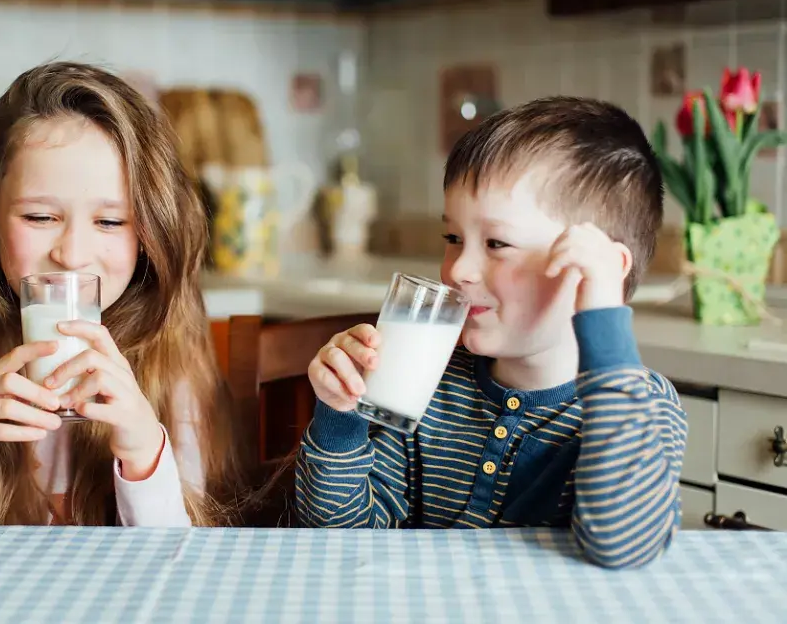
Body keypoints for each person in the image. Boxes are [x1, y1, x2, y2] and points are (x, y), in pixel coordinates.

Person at [295, 97, 688, 568]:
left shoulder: (639, 405)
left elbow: (623, 546)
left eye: (497, 243)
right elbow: (336, 536)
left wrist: (603, 314)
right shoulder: (430, 384)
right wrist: (341, 418)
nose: (459, 269)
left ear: (597, 270)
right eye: (453, 238)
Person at [0, 62, 243, 526]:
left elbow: (183, 573)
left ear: (150, 233)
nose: (73, 254)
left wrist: (145, 453)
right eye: (40, 218)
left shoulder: (172, 368)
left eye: (110, 221)